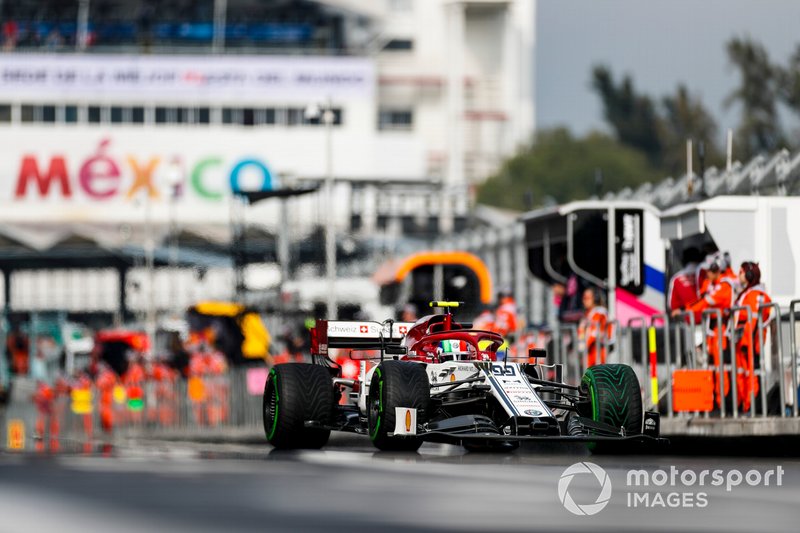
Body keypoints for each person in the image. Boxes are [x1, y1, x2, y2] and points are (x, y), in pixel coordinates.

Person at [673, 251, 737, 408]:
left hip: (723, 330)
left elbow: (703, 303)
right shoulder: (716, 284)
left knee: (722, 367)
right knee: (715, 366)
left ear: (717, 269)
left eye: (710, 270)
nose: (706, 274)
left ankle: (724, 405)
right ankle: (718, 402)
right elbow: (703, 297)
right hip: (715, 329)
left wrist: (683, 310)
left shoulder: (725, 286)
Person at [733, 261, 772, 413]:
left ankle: (752, 407)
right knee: (744, 376)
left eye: (741, 272)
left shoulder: (757, 295)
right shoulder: (748, 293)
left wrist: (746, 342)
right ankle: (746, 406)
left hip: (750, 343)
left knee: (752, 376)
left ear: (749, 275)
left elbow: (754, 321)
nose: (739, 275)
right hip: (744, 342)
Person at [580, 287, 609, 368]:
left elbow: (594, 333)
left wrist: (583, 346)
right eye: (583, 298)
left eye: (587, 298)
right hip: (589, 353)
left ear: (595, 299)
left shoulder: (599, 312)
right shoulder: (588, 313)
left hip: (597, 353)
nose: (584, 301)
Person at [668, 247, 702, 313]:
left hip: (687, 319)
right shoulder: (706, 274)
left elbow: (673, 305)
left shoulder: (676, 278)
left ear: (683, 260)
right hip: (708, 318)